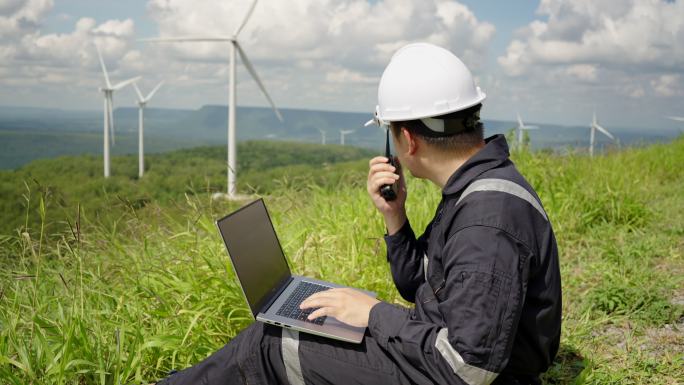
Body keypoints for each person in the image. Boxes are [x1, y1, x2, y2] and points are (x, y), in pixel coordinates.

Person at [156, 42, 561, 385]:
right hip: (438, 347)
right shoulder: (473, 190)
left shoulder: (485, 222)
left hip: (457, 373)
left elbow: (467, 368)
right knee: (293, 323)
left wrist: (373, 315)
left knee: (274, 343)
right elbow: (420, 286)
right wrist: (394, 216)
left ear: (407, 140)